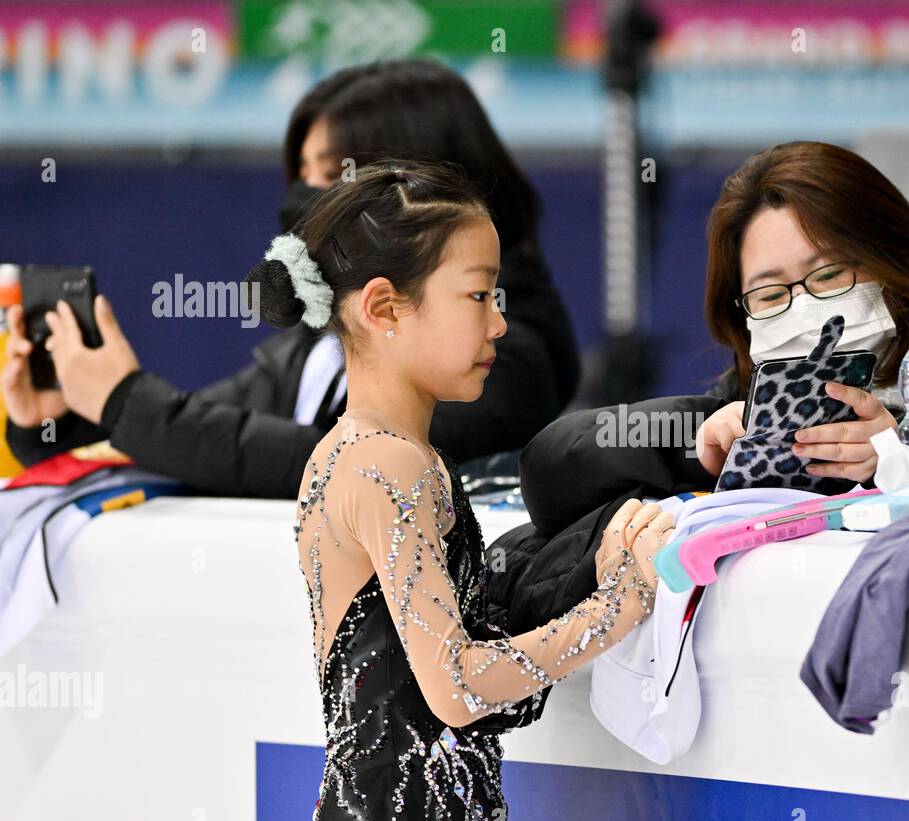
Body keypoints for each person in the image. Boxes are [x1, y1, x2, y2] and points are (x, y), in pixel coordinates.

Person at [485, 141, 909, 636]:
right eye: (771, 293)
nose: (804, 307)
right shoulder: (749, 405)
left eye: (829, 275)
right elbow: (556, 462)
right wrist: (702, 443)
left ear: (893, 264)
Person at [267, 160, 675, 821]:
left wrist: (586, 576)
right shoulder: (383, 465)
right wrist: (619, 607)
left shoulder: (369, 451)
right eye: (479, 296)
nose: (500, 323)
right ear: (384, 308)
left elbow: (436, 677)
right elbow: (456, 688)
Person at [1, 59, 578, 497]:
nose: (304, 200)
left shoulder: (498, 352)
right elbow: (202, 444)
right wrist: (63, 420)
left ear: (415, 187)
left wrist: (127, 403)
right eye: (301, 174)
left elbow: (333, 466)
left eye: (331, 175)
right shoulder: (323, 341)